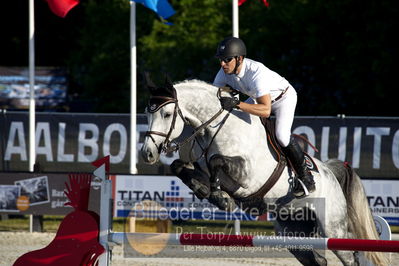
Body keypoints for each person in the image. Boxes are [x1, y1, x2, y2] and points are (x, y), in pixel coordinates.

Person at [213, 36, 315, 198]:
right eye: (221, 59)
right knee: (234, 120)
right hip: (257, 98)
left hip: (283, 98)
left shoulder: (256, 73)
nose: (222, 64)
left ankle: (306, 177)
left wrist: (236, 104)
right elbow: (215, 97)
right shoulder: (224, 72)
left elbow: (265, 110)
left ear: (239, 59)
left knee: (281, 136)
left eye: (227, 60)